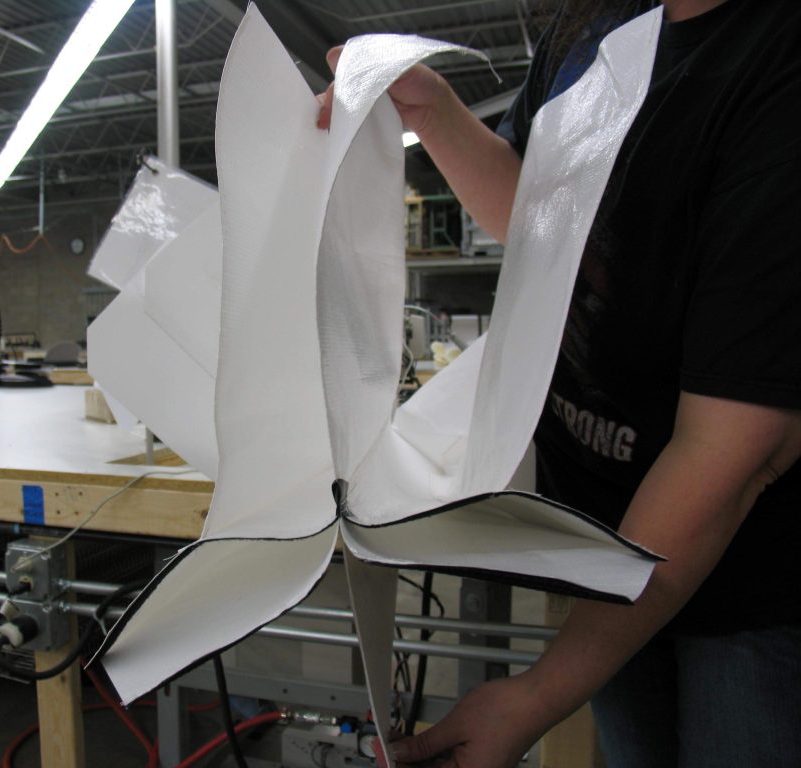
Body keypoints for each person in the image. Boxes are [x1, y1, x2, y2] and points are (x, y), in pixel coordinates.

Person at [318, 1, 801, 766]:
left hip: (748, 566)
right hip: (604, 540)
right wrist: (436, 113)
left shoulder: (778, 62)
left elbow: (738, 450)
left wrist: (541, 692)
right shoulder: (597, 22)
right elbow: (544, 221)